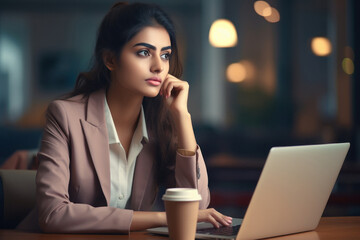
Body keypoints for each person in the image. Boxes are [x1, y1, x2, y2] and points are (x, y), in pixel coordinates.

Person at [33, 2, 232, 233]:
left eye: (165, 55)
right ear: (110, 60)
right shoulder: (65, 116)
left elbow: (195, 207)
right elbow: (52, 214)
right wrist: (164, 217)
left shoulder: (160, 123)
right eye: (144, 52)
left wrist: (183, 117)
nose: (159, 66)